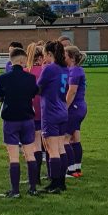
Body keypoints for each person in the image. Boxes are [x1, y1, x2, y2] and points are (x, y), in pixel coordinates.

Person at [0, 47, 40, 198]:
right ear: (22, 60)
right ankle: (33, 188)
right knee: (30, 153)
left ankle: (15, 190)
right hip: (27, 118)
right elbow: (34, 92)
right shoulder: (30, 78)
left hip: (10, 119)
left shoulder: (4, 78)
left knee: (13, 156)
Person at [37, 40, 70, 193]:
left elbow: (38, 88)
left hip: (50, 112)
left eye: (44, 55)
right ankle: (61, 182)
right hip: (62, 110)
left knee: (52, 149)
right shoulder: (65, 69)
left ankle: (55, 183)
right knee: (61, 147)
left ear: (49, 54)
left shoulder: (50, 68)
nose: (43, 58)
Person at [64, 46, 87, 178]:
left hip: (74, 108)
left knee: (64, 139)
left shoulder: (74, 71)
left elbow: (72, 91)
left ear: (71, 57)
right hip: (80, 107)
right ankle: (77, 168)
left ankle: (71, 170)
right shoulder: (77, 70)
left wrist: (65, 107)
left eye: (65, 55)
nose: (63, 57)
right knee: (75, 138)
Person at [25, 43, 44, 183]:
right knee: (46, 144)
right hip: (45, 110)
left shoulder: (26, 71)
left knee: (32, 145)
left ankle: (34, 177)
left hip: (30, 110)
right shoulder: (46, 70)